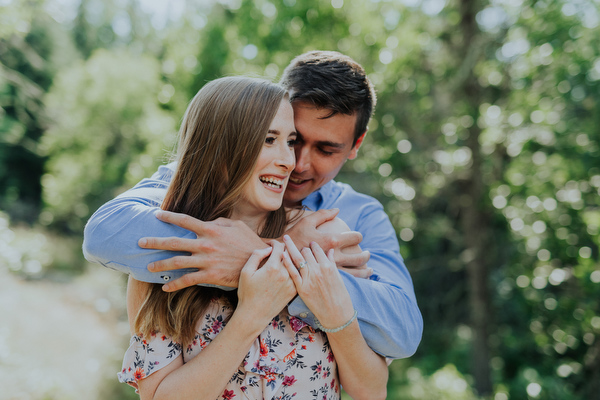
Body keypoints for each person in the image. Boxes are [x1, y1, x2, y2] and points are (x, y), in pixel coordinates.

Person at [83, 51, 423, 359]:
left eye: (325, 149)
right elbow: (104, 234)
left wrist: (260, 257)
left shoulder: (357, 215)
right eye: (292, 139)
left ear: (355, 145)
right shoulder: (207, 177)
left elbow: (403, 332)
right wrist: (287, 253)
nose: (296, 163)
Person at [118, 76, 388, 399]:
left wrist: (335, 311)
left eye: (289, 141)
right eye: (269, 140)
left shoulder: (325, 239)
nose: (290, 161)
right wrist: (251, 315)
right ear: (220, 149)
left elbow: (372, 391)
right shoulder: (167, 261)